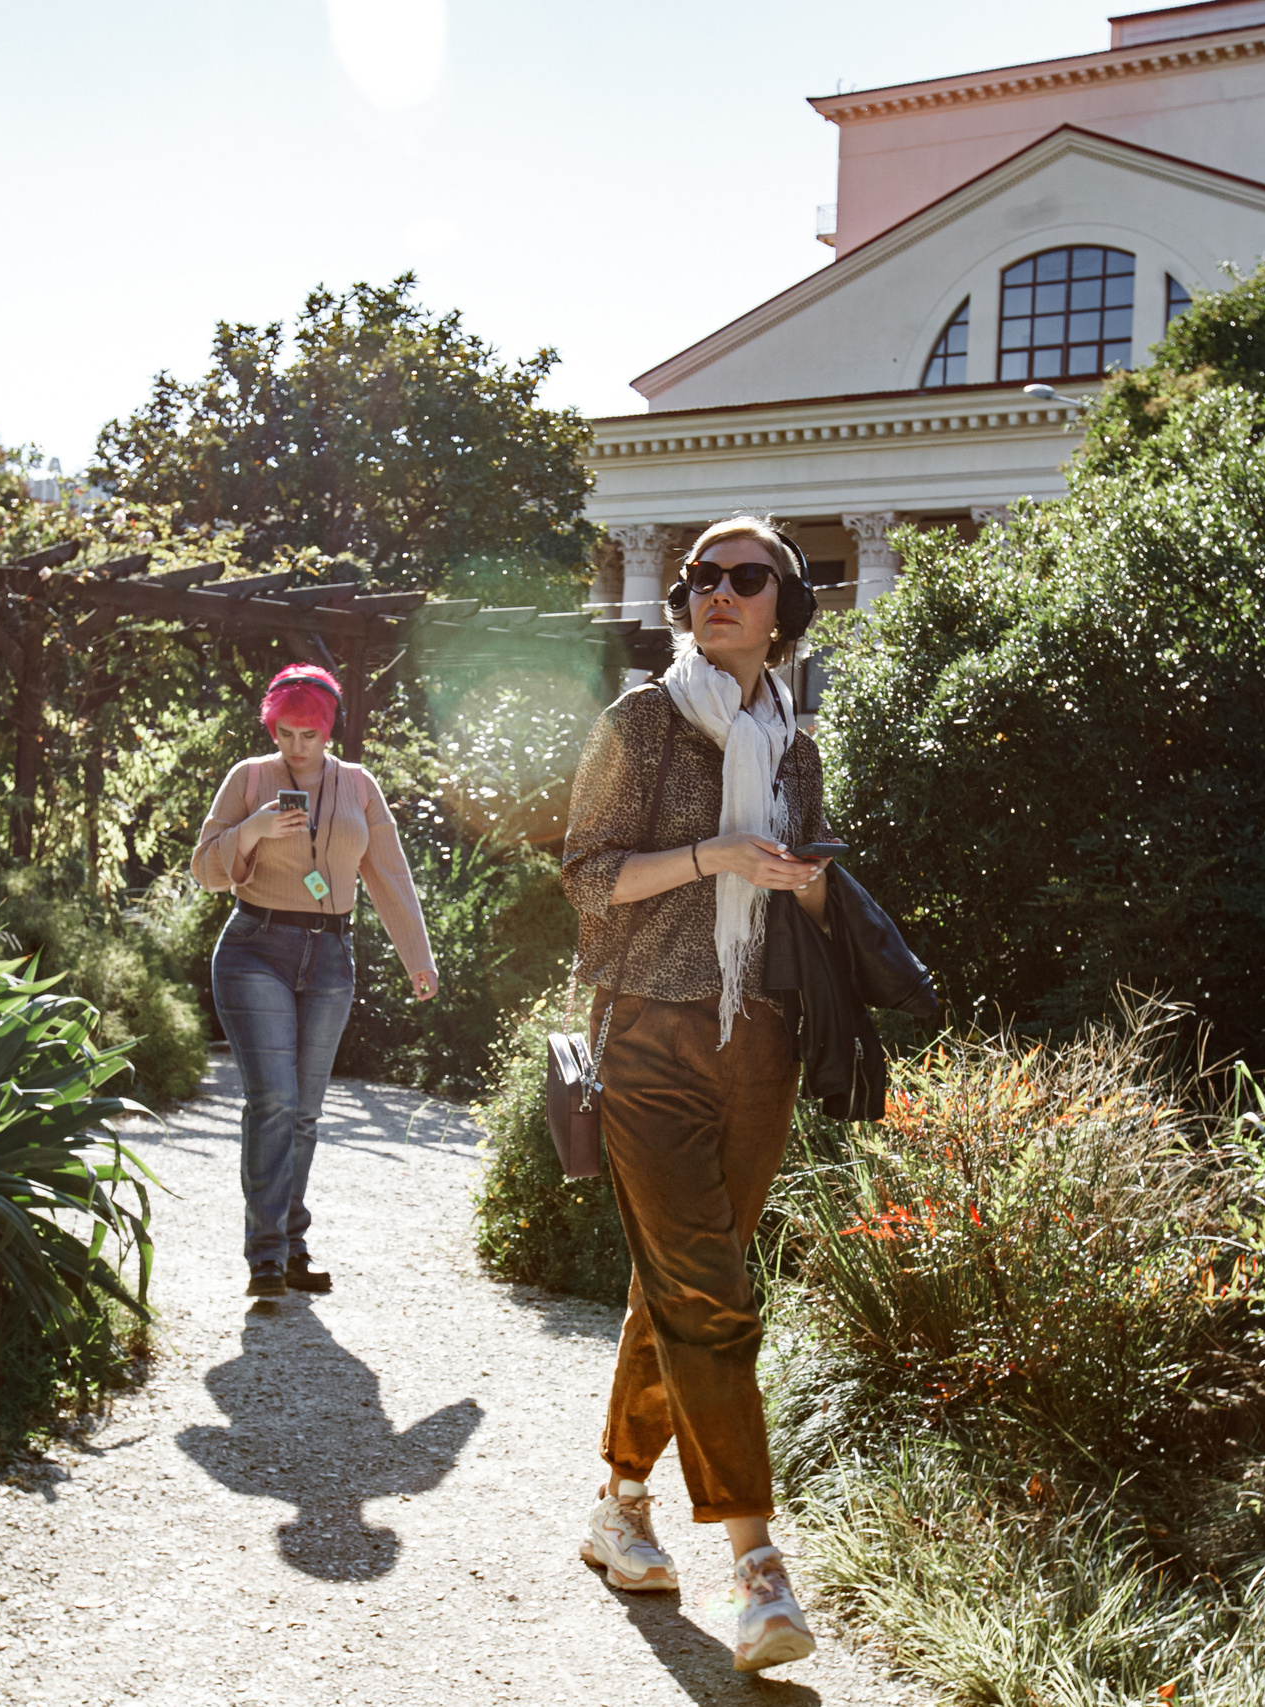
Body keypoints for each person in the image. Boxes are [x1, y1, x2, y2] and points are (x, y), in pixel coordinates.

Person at [559, 515, 835, 1674]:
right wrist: (713, 857)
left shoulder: (796, 748)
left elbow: (811, 897)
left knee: (679, 1281)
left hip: (758, 1041)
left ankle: (619, 1505)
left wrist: (806, 886)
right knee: (713, 1295)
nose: (718, 591)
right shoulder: (642, 720)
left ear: (783, 607)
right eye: (700, 577)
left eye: (744, 576)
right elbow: (585, 878)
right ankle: (758, 1568)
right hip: (650, 1038)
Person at [192, 663, 436, 1301]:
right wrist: (252, 829)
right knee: (273, 1101)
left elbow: (389, 873)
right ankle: (267, 1257)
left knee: (303, 1111)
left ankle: (291, 1245)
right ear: (272, 728)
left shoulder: (358, 785)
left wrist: (418, 956)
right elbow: (205, 869)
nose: (296, 747)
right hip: (256, 949)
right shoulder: (249, 778)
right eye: (285, 733)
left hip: (330, 955)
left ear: (330, 731)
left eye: (309, 734)